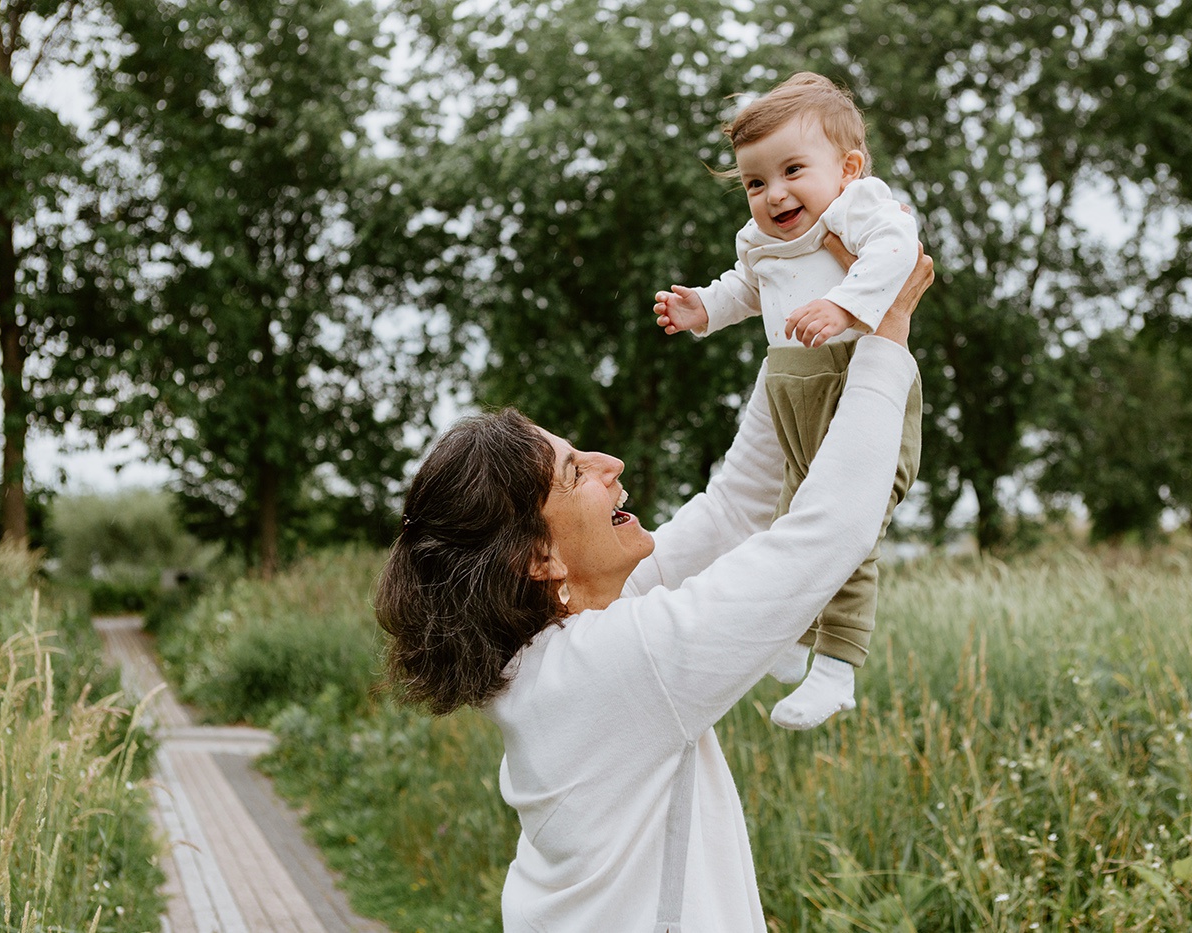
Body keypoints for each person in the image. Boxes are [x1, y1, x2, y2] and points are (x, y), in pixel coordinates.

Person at [376, 242, 933, 932]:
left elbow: (737, 504)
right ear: (538, 557)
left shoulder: (557, 651)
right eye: (576, 472)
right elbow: (828, 534)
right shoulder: (614, 664)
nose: (610, 462)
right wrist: (885, 334)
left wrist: (792, 303)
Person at [653, 72, 922, 729]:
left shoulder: (857, 208)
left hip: (855, 381)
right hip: (791, 389)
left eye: (793, 169)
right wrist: (704, 309)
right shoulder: (760, 241)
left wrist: (843, 304)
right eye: (754, 182)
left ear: (848, 167)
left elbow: (900, 252)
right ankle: (794, 637)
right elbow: (748, 289)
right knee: (788, 523)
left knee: (845, 528)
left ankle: (837, 666)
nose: (774, 194)